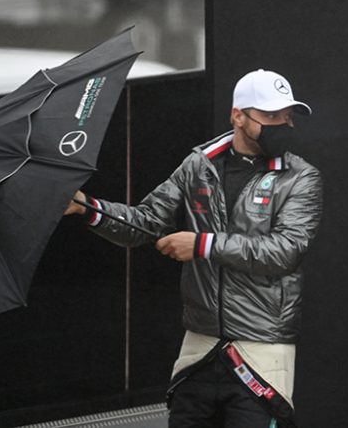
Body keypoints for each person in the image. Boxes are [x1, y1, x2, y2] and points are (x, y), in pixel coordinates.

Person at [64, 69, 322, 428]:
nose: (282, 124)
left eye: (287, 116)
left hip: (262, 349)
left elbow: (284, 251)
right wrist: (88, 208)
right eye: (270, 116)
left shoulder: (301, 177)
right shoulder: (198, 166)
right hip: (200, 345)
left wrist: (202, 244)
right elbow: (146, 221)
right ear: (238, 116)